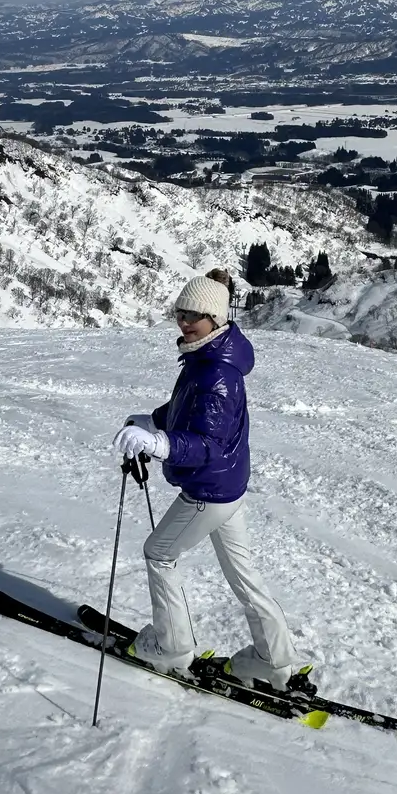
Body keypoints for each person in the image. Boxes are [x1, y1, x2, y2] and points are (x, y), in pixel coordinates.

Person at [113, 269, 304, 692]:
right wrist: (154, 421)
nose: (184, 321)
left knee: (159, 553)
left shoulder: (217, 373)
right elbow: (188, 409)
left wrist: (159, 443)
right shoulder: (209, 355)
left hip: (208, 489)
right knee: (245, 576)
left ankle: (172, 647)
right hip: (229, 488)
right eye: (180, 312)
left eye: (194, 314)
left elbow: (206, 444)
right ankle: (273, 661)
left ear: (215, 317)